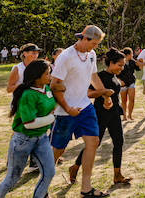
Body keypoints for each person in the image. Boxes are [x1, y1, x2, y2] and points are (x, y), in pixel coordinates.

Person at [49, 25, 111, 198]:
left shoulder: (91, 54)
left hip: (85, 107)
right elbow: (55, 86)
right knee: (57, 151)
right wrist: (68, 108)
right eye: (94, 43)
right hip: (64, 111)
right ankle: (42, 189)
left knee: (93, 141)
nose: (96, 47)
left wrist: (105, 94)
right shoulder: (66, 57)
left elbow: (94, 77)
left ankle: (86, 188)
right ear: (84, 39)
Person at [69, 48, 132, 185]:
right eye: (119, 65)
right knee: (94, 144)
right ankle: (75, 167)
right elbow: (88, 93)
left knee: (119, 142)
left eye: (123, 65)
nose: (121, 68)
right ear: (110, 63)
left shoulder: (115, 76)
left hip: (115, 113)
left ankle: (117, 175)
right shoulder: (99, 76)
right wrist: (104, 94)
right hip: (100, 115)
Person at [0, 60, 56, 198]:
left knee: (49, 173)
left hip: (42, 137)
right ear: (36, 77)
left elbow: (49, 104)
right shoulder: (28, 94)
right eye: (47, 74)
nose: (50, 76)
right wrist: (51, 118)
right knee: (11, 180)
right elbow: (29, 123)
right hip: (23, 140)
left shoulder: (46, 88)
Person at [119, 47, 139, 121]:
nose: (132, 55)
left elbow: (138, 68)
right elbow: (116, 73)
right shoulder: (121, 62)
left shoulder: (132, 62)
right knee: (124, 100)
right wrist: (119, 80)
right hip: (123, 84)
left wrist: (140, 62)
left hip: (131, 82)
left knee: (132, 99)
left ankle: (130, 115)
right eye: (131, 53)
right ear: (128, 54)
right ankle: (124, 116)